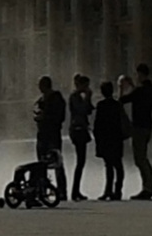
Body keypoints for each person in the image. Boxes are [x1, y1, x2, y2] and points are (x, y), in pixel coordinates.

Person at [127, 63, 152, 200]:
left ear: (141, 74)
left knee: (140, 159)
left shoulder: (140, 90)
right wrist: (132, 86)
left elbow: (123, 100)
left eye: (137, 74)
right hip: (147, 126)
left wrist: (122, 87)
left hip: (139, 127)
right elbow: (137, 95)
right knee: (143, 158)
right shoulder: (150, 89)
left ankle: (149, 187)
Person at [93, 79, 128, 201]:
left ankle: (108, 190)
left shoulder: (101, 105)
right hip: (116, 138)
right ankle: (118, 190)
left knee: (108, 166)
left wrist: (97, 141)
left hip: (106, 139)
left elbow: (97, 125)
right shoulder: (117, 105)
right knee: (118, 165)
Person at [66, 74, 94, 202]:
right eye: (86, 85)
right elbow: (81, 110)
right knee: (80, 161)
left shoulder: (79, 97)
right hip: (77, 130)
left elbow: (88, 110)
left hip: (81, 129)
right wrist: (87, 97)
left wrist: (88, 99)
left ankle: (76, 190)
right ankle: (74, 191)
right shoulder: (74, 97)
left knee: (81, 162)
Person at [32, 75, 66, 174]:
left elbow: (59, 116)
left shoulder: (55, 98)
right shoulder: (42, 99)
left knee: (56, 161)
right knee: (43, 162)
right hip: (44, 134)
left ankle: (61, 188)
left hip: (52, 134)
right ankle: (44, 184)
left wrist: (44, 117)